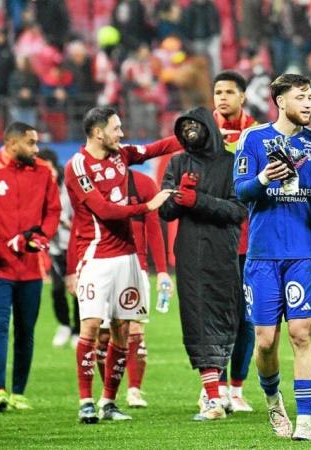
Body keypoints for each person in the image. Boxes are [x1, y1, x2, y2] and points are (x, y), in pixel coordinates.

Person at [233, 73, 311, 440]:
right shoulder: (254, 139)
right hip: (263, 253)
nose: (308, 103)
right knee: (265, 341)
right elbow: (242, 193)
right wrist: (264, 178)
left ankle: (306, 420)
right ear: (280, 101)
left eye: (310, 97)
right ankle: (272, 399)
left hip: (305, 251)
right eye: (301, 97)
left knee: (301, 333)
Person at [64, 107, 178, 424]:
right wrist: (147, 206)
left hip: (128, 259)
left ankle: (109, 402)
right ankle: (85, 401)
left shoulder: (121, 156)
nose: (122, 134)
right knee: (90, 326)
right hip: (96, 258)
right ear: (98, 133)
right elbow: (104, 210)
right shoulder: (77, 167)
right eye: (116, 128)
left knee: (122, 331)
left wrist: (196, 133)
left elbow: (157, 148)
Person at [0, 122, 61, 412]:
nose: (36, 148)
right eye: (31, 143)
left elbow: (52, 211)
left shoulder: (44, 172)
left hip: (31, 268)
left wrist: (42, 237)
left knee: (26, 331)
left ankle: (18, 392)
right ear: (12, 143)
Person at [160, 107, 246, 421]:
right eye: (185, 127)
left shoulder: (231, 162)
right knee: (197, 320)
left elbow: (239, 210)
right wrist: (177, 196)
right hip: (190, 257)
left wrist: (199, 201)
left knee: (226, 319)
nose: (190, 131)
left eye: (195, 126)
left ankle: (221, 392)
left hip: (224, 253)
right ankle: (212, 398)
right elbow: (165, 211)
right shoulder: (177, 162)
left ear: (208, 126)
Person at [91, 168, 172, 408]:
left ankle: (134, 390)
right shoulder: (93, 181)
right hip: (101, 264)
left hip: (136, 265)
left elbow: (154, 227)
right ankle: (109, 392)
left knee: (134, 329)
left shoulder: (143, 183)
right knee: (103, 334)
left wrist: (163, 270)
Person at [211, 70, 257, 412]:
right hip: (215, 240)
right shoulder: (202, 133)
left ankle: (237, 388)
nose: (222, 97)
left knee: (247, 318)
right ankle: (215, 388)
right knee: (217, 316)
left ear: (242, 97)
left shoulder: (258, 134)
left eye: (229, 91)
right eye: (217, 91)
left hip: (251, 242)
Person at [36, 148, 80, 349]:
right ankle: (64, 325)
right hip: (54, 247)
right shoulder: (37, 186)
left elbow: (80, 214)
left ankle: (78, 330)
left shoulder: (69, 185)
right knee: (57, 290)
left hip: (75, 245)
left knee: (79, 289)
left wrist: (66, 223)